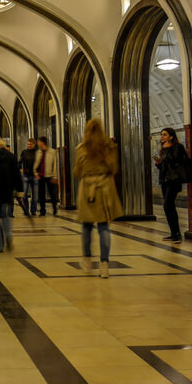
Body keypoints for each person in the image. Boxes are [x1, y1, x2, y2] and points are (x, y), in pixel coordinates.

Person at [74, 119, 124, 278]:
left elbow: (77, 171)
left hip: (88, 190)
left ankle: (87, 260)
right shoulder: (109, 148)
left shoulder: (81, 149)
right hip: (104, 189)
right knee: (104, 228)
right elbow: (114, 168)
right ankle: (104, 265)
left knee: (86, 227)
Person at [152, 127, 189, 244]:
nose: (162, 137)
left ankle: (177, 234)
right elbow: (164, 166)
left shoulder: (178, 147)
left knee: (168, 205)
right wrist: (159, 163)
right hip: (165, 180)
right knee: (169, 206)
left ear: (171, 136)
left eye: (164, 135)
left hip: (174, 181)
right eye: (161, 135)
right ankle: (174, 233)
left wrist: (167, 151)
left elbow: (176, 161)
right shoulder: (163, 149)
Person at [34, 136, 59, 216]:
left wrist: (55, 176)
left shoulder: (52, 152)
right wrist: (35, 173)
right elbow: (36, 164)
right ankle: (42, 210)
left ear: (42, 142)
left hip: (49, 175)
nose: (37, 143)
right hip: (40, 175)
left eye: (38, 142)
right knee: (41, 194)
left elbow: (55, 164)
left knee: (52, 194)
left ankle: (55, 208)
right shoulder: (38, 152)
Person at [18, 138, 38, 216]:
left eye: (30, 144)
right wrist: (20, 169)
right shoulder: (24, 152)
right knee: (25, 194)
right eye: (28, 144)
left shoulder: (37, 153)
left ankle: (33, 210)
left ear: (34, 144)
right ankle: (26, 210)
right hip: (26, 175)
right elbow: (19, 162)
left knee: (35, 195)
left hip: (35, 175)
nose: (29, 145)